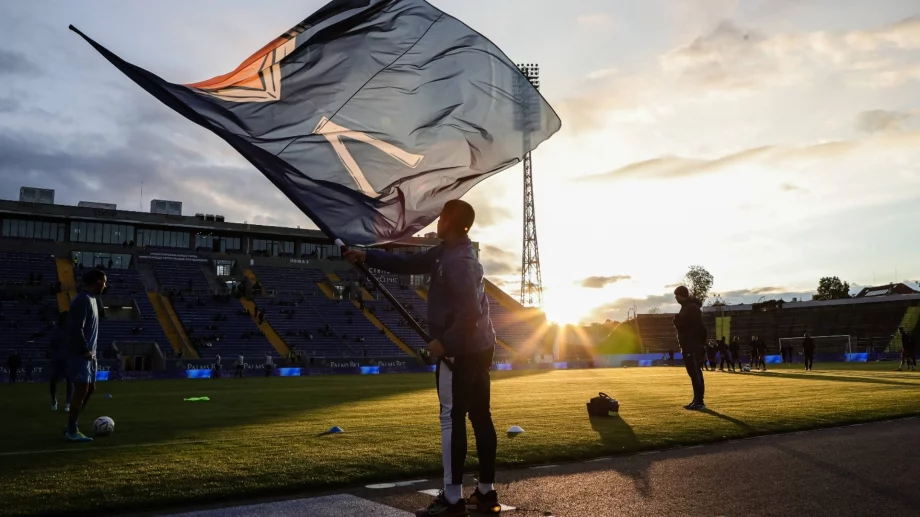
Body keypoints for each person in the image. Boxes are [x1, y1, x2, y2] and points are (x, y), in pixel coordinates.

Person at [344, 200, 500, 517]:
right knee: (480, 417)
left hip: (462, 350)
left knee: (452, 419)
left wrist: (446, 343)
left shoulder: (457, 261)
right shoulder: (447, 252)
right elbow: (406, 264)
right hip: (480, 346)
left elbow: (469, 312)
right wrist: (367, 256)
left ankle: (453, 500)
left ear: (452, 223)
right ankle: (485, 493)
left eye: (442, 217)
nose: (436, 221)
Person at [66, 268, 106, 442]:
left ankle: (71, 425)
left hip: (90, 354)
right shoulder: (82, 300)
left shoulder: (92, 299)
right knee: (81, 389)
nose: (106, 285)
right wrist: (84, 349)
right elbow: (75, 328)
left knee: (90, 388)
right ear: (97, 282)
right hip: (81, 353)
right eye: (104, 281)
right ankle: (71, 430)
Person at [672, 286, 707, 410]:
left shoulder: (691, 308)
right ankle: (696, 400)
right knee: (693, 373)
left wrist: (678, 323)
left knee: (695, 372)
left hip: (692, 345)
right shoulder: (687, 307)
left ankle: (699, 401)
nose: (676, 298)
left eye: (676, 295)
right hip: (689, 345)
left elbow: (697, 327)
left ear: (682, 295)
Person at [49, 311, 74, 411]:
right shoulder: (56, 330)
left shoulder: (72, 330)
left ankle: (67, 403)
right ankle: (54, 401)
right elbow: (52, 343)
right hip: (57, 358)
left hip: (69, 359)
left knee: (70, 381)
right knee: (53, 380)